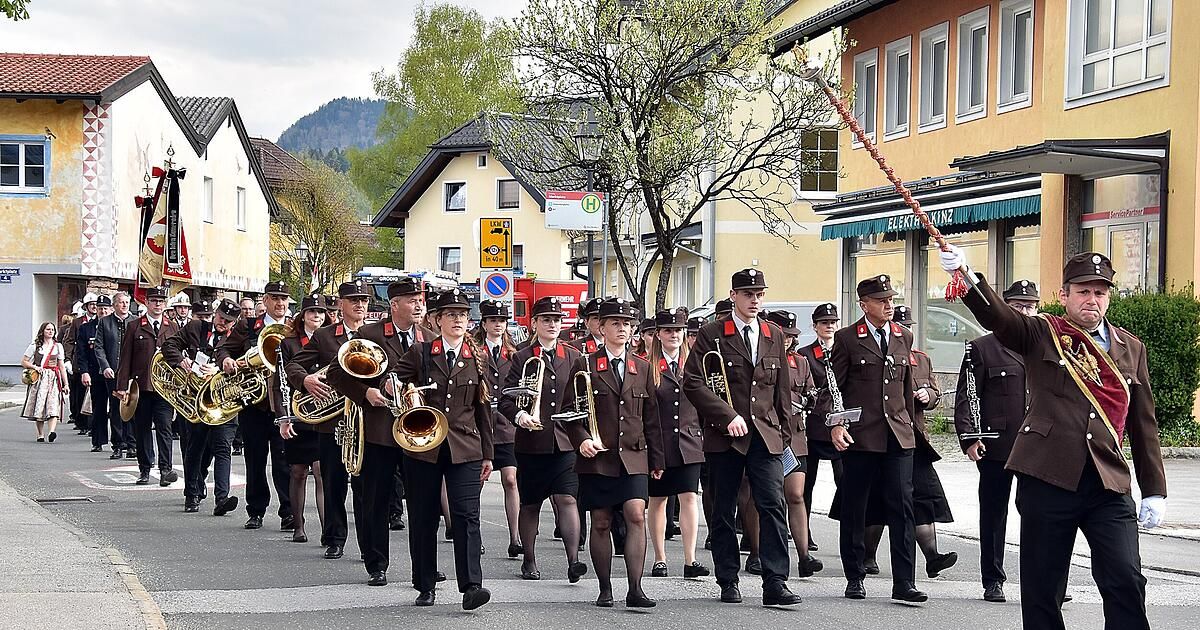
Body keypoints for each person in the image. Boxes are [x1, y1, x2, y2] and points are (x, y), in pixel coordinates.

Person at [939, 248, 1167, 630]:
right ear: (1064, 295)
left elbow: (1144, 425)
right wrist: (967, 275)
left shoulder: (1132, 348)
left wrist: (1154, 488)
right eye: (1082, 291)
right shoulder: (1043, 332)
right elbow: (1000, 317)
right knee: (1043, 590)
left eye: (1099, 292)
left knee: (1126, 578)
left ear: (1109, 297)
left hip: (1107, 483)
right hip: (1048, 477)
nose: (1091, 300)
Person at [683, 268, 802, 607]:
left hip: (765, 435)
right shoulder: (713, 333)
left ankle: (775, 581)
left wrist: (784, 433)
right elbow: (693, 382)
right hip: (726, 437)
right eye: (748, 294)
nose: (755, 300)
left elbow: (780, 388)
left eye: (760, 294)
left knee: (773, 505)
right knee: (723, 508)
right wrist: (726, 416)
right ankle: (728, 577)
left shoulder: (773, 333)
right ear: (734, 295)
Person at [386, 288, 493, 610]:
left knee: (466, 515)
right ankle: (425, 583)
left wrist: (489, 453)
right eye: (451, 314)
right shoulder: (420, 352)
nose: (458, 319)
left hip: (464, 447)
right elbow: (392, 379)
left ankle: (472, 585)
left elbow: (484, 409)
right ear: (437, 319)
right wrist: (394, 387)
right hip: (423, 447)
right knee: (423, 516)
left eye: (462, 314)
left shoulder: (477, 356)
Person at [828, 275, 924, 603]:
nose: (889, 305)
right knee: (856, 508)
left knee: (903, 508)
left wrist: (914, 429)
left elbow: (906, 388)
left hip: (898, 436)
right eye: (882, 300)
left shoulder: (903, 335)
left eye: (891, 299)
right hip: (862, 436)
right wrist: (837, 425)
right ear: (864, 304)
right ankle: (855, 575)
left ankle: (904, 582)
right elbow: (834, 388)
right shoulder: (846, 339)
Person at [562, 297, 662, 608]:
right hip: (599, 457)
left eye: (628, 324)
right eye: (616, 323)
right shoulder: (586, 364)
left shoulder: (642, 367)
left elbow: (651, 417)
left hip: (633, 455)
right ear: (601, 327)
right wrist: (581, 440)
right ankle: (605, 588)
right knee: (602, 521)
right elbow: (569, 411)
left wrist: (657, 460)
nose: (623, 329)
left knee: (635, 514)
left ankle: (636, 588)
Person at [954, 280, 1039, 603]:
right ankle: (993, 579)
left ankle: (1043, 580)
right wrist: (970, 438)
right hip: (997, 444)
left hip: (1037, 446)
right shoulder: (982, 347)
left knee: (1041, 515)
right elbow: (967, 395)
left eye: (1030, 306)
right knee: (994, 514)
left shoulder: (1044, 344)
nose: (1025, 312)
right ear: (1005, 308)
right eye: (1018, 306)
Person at [857, 306, 956, 579]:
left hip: (913, 438)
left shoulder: (921, 359)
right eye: (901, 325)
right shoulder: (875, 353)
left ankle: (932, 556)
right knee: (876, 500)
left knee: (923, 497)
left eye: (907, 325)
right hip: (880, 437)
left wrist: (929, 395)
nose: (904, 330)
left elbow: (935, 392)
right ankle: (866, 556)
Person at [499, 297, 587, 582]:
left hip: (564, 441)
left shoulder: (573, 356)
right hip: (532, 443)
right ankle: (529, 559)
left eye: (557, 320)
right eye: (546, 319)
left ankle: (574, 561)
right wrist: (521, 416)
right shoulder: (522, 356)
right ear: (534, 323)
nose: (552, 324)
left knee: (567, 499)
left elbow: (583, 397)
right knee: (531, 502)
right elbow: (506, 399)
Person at [286, 280, 370, 560]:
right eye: (354, 300)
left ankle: (368, 545)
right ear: (342, 304)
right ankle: (335, 538)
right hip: (332, 421)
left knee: (365, 486)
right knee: (333, 481)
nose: (360, 305)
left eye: (364, 300)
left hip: (366, 421)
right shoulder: (324, 336)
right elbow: (294, 364)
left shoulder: (373, 334)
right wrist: (306, 379)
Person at [216, 281, 293, 530]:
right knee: (255, 460)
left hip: (284, 405)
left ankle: (289, 511)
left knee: (285, 461)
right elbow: (224, 347)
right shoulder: (249, 326)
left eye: (284, 299)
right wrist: (227, 359)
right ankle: (256, 510)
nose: (280, 303)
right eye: (275, 298)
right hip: (255, 404)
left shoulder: (293, 327)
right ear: (266, 300)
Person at [160, 299, 241, 516]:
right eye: (221, 318)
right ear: (215, 313)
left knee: (223, 448)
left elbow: (245, 366)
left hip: (224, 401)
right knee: (195, 447)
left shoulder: (238, 337)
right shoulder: (196, 327)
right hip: (196, 399)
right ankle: (191, 493)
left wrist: (229, 366)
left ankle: (222, 498)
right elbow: (169, 345)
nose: (223, 323)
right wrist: (182, 361)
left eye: (228, 321)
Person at [646, 307, 709, 579]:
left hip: (690, 442)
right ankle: (660, 558)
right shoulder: (647, 367)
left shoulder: (696, 365)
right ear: (658, 334)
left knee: (689, 499)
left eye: (678, 330)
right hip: (660, 443)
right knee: (658, 501)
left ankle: (690, 559)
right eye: (668, 330)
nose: (673, 335)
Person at [764, 309, 824, 578]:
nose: (787, 340)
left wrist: (808, 399)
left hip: (796, 435)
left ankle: (804, 555)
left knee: (796, 495)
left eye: (791, 336)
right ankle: (757, 552)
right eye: (783, 335)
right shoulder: (761, 358)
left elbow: (812, 394)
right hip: (766, 433)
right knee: (765, 498)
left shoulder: (800, 362)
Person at [275, 294, 330, 541]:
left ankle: (328, 530)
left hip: (324, 414)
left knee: (321, 470)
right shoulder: (288, 344)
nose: (316, 316)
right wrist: (282, 418)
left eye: (320, 312)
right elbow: (279, 383)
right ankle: (299, 526)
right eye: (311, 312)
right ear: (303, 316)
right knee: (297, 471)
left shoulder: (330, 340)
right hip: (299, 414)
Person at [114, 287, 180, 487]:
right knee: (141, 429)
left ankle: (165, 470)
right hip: (140, 387)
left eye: (161, 301)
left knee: (164, 429)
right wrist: (122, 386)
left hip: (164, 388)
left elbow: (179, 357)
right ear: (146, 303)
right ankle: (144, 469)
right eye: (153, 301)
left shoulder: (173, 327)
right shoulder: (135, 326)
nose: (157, 304)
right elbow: (125, 358)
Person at [474, 299, 523, 558]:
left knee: (511, 479)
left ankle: (515, 537)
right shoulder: (473, 350)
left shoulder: (513, 354)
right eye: (493, 320)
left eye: (502, 321)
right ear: (484, 324)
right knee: (477, 484)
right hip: (481, 426)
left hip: (506, 427)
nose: (498, 325)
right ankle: (475, 536)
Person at [796, 302, 842, 553]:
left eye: (833, 322)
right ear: (815, 327)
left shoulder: (844, 351)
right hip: (814, 426)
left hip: (841, 425)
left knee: (845, 481)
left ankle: (849, 530)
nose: (829, 326)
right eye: (824, 323)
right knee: (807, 484)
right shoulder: (805, 354)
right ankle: (805, 533)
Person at [94, 292, 136, 459]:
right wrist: (105, 366)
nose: (124, 305)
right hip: (113, 373)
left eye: (127, 302)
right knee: (116, 409)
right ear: (114, 305)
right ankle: (118, 445)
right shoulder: (105, 322)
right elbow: (99, 347)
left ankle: (132, 444)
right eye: (121, 302)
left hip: (132, 373)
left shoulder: (135, 321)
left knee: (132, 407)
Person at [77, 295, 114, 452]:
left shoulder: (116, 325)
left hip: (113, 372)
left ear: (111, 309)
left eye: (105, 308)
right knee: (98, 408)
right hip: (95, 373)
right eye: (100, 308)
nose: (102, 311)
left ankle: (121, 442)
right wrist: (84, 372)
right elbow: (82, 353)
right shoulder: (87, 328)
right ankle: (98, 441)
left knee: (117, 409)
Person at [21, 321, 68, 442]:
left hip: (53, 378)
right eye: (48, 329)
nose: (51, 331)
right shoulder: (35, 346)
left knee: (53, 405)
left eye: (52, 329)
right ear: (42, 331)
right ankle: (40, 434)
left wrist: (65, 383)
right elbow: (24, 361)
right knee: (40, 405)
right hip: (39, 379)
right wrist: (35, 367)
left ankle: (52, 432)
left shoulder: (58, 346)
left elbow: (61, 366)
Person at [64, 292, 98, 435]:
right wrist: (67, 359)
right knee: (79, 395)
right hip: (80, 362)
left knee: (94, 396)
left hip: (96, 362)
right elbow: (69, 341)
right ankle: (81, 421)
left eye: (96, 304)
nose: (94, 307)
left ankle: (92, 424)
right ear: (86, 306)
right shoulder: (78, 322)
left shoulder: (102, 321)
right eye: (92, 304)